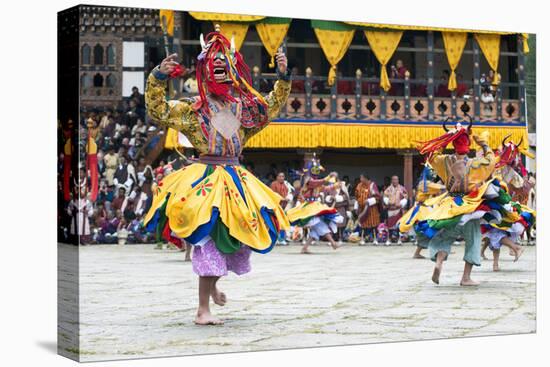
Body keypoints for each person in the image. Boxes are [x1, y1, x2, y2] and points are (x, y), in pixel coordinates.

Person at [143, 26, 291, 325]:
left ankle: (211, 291)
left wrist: (284, 78)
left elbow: (271, 107)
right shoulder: (193, 110)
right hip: (206, 180)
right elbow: (157, 111)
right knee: (208, 239)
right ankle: (202, 309)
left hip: (235, 179)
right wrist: (158, 76)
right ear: (204, 71)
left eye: (226, 64)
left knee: (231, 237)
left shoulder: (244, 109)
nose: (221, 69)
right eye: (214, 64)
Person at [415, 117, 521, 286]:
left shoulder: (444, 161)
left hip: (450, 206)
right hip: (471, 206)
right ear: (468, 146)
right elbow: (491, 159)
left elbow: (431, 155)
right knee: (474, 238)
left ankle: (439, 262)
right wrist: (483, 143)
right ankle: (466, 278)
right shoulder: (475, 163)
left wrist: (444, 141)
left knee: (445, 236)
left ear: (453, 145)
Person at [286, 155, 343, 254]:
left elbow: (325, 188)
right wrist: (329, 177)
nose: (316, 172)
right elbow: (318, 183)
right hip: (308, 207)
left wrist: (335, 185)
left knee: (317, 226)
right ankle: (333, 243)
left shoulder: (316, 183)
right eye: (314, 169)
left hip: (315, 207)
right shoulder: (309, 180)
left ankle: (305, 248)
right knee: (319, 224)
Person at [399, 165, 446, 259]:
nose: (434, 175)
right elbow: (441, 188)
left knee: (428, 231)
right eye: (433, 173)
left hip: (424, 210)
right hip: (423, 211)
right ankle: (437, 252)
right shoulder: (426, 184)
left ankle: (429, 252)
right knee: (431, 229)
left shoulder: (423, 182)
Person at [355, 174, 381, 245]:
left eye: (361, 178)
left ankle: (375, 239)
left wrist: (369, 201)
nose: (360, 179)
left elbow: (378, 197)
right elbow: (356, 196)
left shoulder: (372, 185)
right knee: (363, 224)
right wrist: (357, 206)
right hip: (362, 208)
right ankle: (362, 239)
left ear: (365, 178)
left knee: (373, 224)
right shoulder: (359, 186)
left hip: (371, 208)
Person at [383, 175, 408, 245]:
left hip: (398, 209)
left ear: (398, 180)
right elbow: (385, 197)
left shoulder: (402, 188)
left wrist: (401, 203)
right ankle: (389, 239)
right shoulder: (388, 189)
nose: (395, 181)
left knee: (399, 226)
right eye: (393, 180)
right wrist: (387, 202)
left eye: (396, 180)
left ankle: (399, 239)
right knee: (389, 225)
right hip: (390, 209)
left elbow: (406, 197)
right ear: (391, 180)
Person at [270, 172, 290, 245]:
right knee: (276, 223)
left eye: (283, 176)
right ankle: (277, 239)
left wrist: (286, 200)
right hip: (275, 207)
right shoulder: (273, 184)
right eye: (280, 176)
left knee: (282, 223)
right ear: (277, 177)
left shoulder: (285, 185)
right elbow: (273, 195)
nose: (281, 178)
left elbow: (287, 194)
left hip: (282, 208)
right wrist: (282, 199)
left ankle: (282, 239)